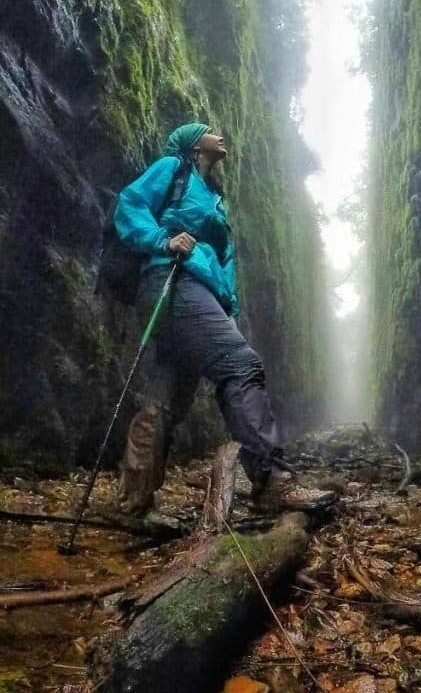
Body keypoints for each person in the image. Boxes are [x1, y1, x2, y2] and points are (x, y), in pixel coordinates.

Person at [113, 121, 328, 513]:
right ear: (195, 145)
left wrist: (227, 306)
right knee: (241, 365)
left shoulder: (215, 196)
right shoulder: (172, 169)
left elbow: (223, 260)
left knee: (170, 393)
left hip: (198, 290)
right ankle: (273, 480)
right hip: (172, 280)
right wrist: (161, 239)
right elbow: (131, 202)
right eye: (210, 131)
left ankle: (133, 500)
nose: (220, 134)